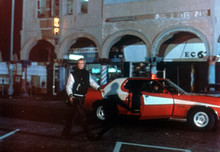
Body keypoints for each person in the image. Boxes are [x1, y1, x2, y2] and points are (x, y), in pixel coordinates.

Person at [62, 58, 103, 140]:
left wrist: (99, 88)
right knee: (83, 116)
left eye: (82, 63)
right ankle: (89, 134)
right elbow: (68, 86)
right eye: (79, 63)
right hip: (75, 98)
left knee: (73, 116)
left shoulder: (87, 73)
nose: (80, 65)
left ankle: (65, 133)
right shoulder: (73, 74)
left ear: (84, 64)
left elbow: (92, 82)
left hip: (82, 98)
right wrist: (70, 95)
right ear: (77, 64)